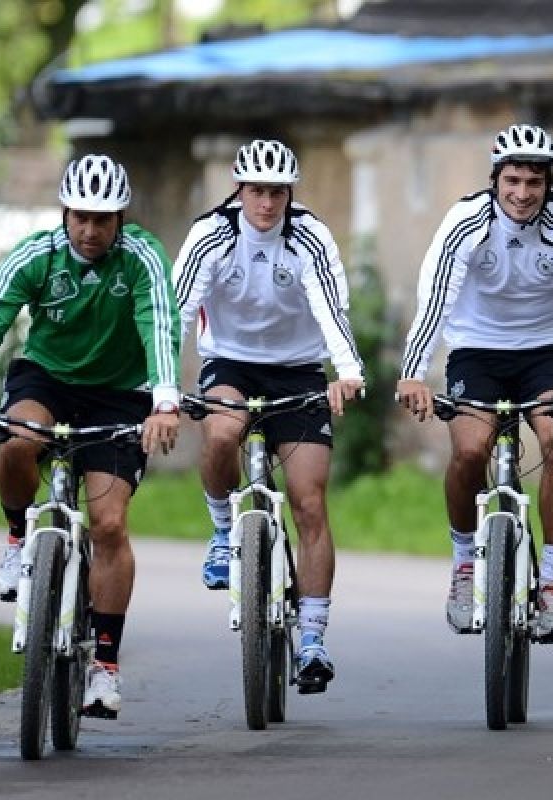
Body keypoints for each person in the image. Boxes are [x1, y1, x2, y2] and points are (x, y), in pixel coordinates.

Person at [0, 154, 181, 718]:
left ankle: (104, 665)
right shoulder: (37, 255)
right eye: (81, 217)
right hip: (47, 379)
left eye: (104, 219)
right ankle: (13, 538)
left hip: (121, 393)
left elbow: (160, 323)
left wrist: (165, 401)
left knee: (108, 524)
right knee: (16, 446)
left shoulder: (142, 257)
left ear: (121, 219)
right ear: (64, 213)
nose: (91, 230)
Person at [395, 124, 553, 640]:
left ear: (548, 185)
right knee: (470, 451)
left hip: (549, 350)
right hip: (477, 348)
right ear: (496, 179)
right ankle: (464, 565)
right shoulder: (465, 221)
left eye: (533, 183)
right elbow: (435, 300)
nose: (521, 193)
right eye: (512, 180)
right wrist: (414, 372)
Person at [173, 139, 363, 693]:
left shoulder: (310, 236)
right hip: (230, 363)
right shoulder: (211, 234)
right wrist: (161, 386)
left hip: (299, 370)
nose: (267, 203)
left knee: (308, 500)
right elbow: (179, 310)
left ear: (290, 193)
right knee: (222, 433)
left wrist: (347, 371)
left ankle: (313, 639)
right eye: (257, 191)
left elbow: (332, 308)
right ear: (239, 189)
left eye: (277, 192)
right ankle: (221, 529)